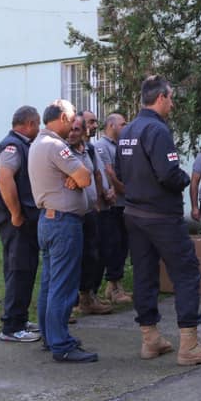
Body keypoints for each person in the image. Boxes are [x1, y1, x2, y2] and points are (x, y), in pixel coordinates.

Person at [117, 76, 201, 366]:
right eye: (171, 98)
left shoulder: (127, 130)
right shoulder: (157, 129)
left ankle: (150, 339)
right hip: (161, 216)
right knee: (186, 272)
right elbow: (168, 174)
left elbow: (119, 171)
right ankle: (189, 345)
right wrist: (184, 178)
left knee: (144, 274)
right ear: (161, 98)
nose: (173, 104)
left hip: (134, 214)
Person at [28, 100, 97, 363]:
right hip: (63, 223)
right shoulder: (56, 146)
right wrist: (77, 178)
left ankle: (51, 337)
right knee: (63, 286)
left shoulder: (39, 144)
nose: (75, 124)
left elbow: (80, 176)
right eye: (73, 118)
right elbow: (85, 177)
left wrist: (75, 178)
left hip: (48, 221)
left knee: (50, 284)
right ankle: (61, 344)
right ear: (64, 118)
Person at [0, 105, 42, 343]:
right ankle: (12, 327)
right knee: (18, 269)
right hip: (16, 220)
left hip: (24, 219)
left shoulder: (23, 145)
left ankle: (20, 318)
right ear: (29, 124)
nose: (38, 128)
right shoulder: (11, 146)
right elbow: (5, 179)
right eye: (37, 124)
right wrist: (16, 214)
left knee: (26, 268)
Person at [68, 117, 113, 316]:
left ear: (83, 131)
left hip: (90, 211)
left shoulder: (89, 150)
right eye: (70, 129)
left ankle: (87, 298)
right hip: (71, 213)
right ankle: (69, 305)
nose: (72, 133)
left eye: (76, 129)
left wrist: (99, 198)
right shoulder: (62, 151)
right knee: (71, 258)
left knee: (92, 255)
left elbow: (96, 174)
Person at [95, 112, 133, 304]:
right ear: (111, 125)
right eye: (123, 124)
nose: (126, 127)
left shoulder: (120, 145)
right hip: (112, 204)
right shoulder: (101, 146)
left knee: (122, 245)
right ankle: (113, 287)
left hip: (123, 203)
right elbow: (108, 173)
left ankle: (115, 286)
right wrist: (118, 189)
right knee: (113, 245)